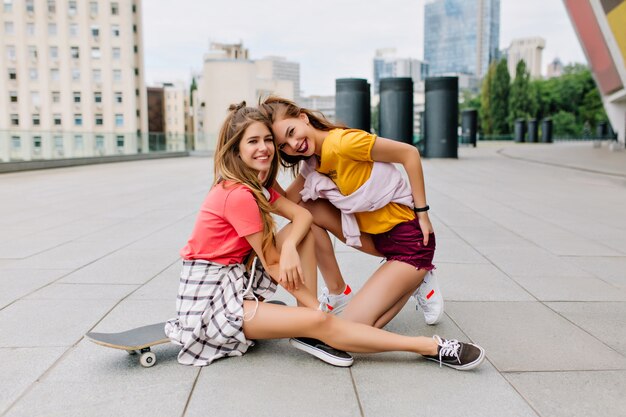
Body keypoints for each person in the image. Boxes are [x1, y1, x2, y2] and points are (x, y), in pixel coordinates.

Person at [164, 102, 485, 371]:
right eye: (254, 142)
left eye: (267, 140)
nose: (265, 149)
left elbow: (301, 214)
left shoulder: (259, 184)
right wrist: (312, 309)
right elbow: (275, 256)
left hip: (404, 242)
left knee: (341, 328)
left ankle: (365, 292)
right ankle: (430, 347)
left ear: (302, 119)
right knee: (331, 328)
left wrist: (290, 246)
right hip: (213, 303)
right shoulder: (240, 194)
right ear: (235, 148)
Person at [259, 96, 443, 329]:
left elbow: (409, 154)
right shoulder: (313, 162)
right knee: (306, 210)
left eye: (292, 131)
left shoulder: (344, 143)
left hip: (410, 242)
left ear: (303, 118)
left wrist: (423, 213)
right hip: (376, 240)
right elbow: (287, 204)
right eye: (283, 145)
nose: (293, 144)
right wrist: (263, 167)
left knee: (354, 329)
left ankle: (416, 275)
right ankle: (338, 292)